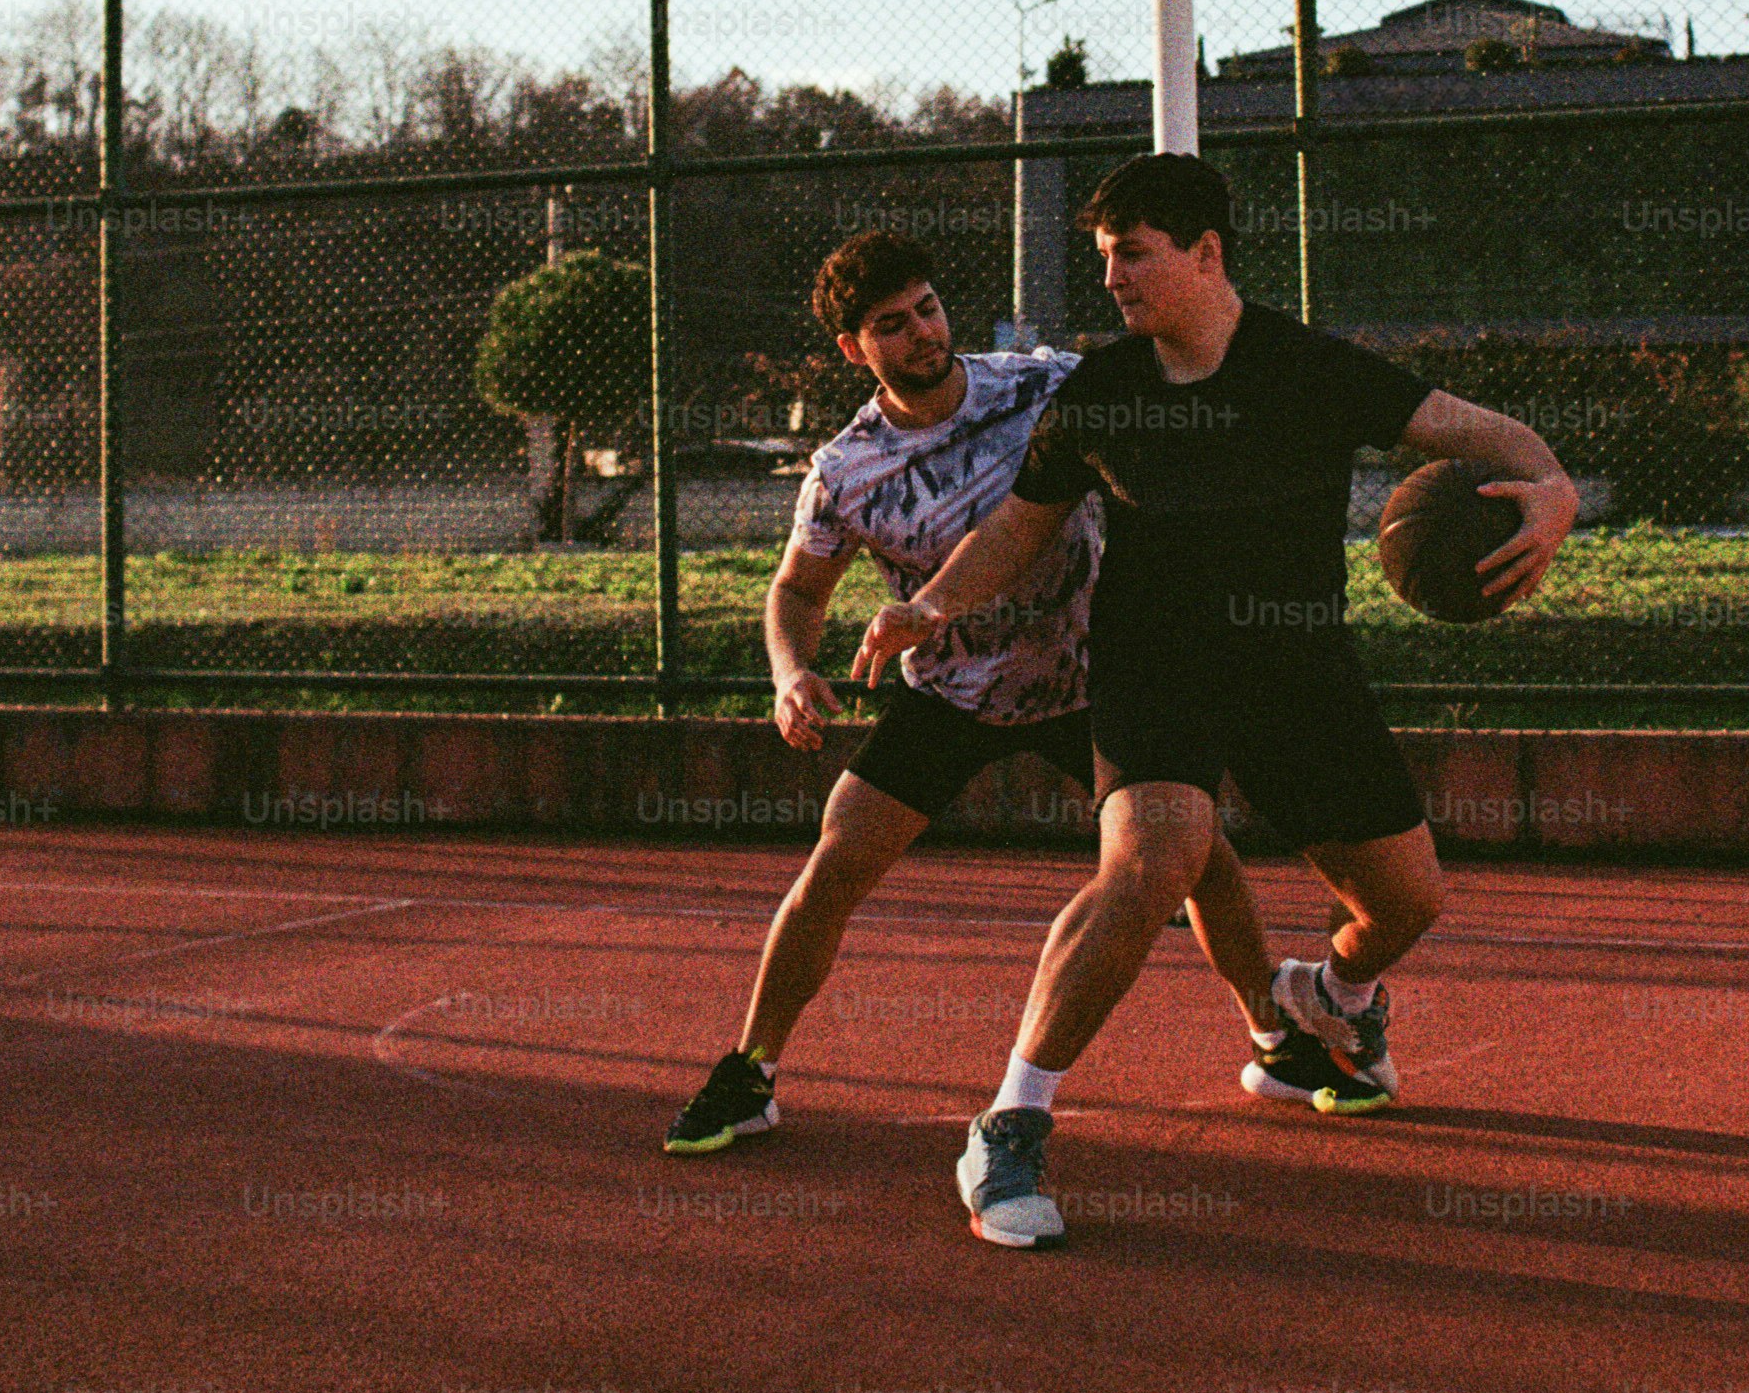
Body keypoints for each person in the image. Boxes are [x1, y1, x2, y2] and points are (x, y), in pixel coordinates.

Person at [857, 154, 1580, 1247]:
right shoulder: (1101, 391)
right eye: (1103, 258)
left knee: (1408, 903)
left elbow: (1479, 431)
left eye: (1133, 253)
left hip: (1297, 672)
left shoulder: (1308, 367)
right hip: (1158, 668)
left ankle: (1330, 997)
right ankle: (1011, 1121)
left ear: (1206, 252)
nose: (1113, 279)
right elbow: (1017, 527)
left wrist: (1556, 490)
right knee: (1155, 854)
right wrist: (934, 603)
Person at [661, 228, 1359, 1159]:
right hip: (955, 690)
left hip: (1094, 671)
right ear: (852, 349)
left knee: (1200, 858)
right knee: (836, 861)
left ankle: (1277, 1041)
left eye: (927, 309)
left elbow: (1174, 397)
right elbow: (796, 589)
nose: (921, 334)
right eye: (890, 326)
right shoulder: (846, 471)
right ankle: (751, 1071)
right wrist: (791, 673)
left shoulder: (1039, 386)